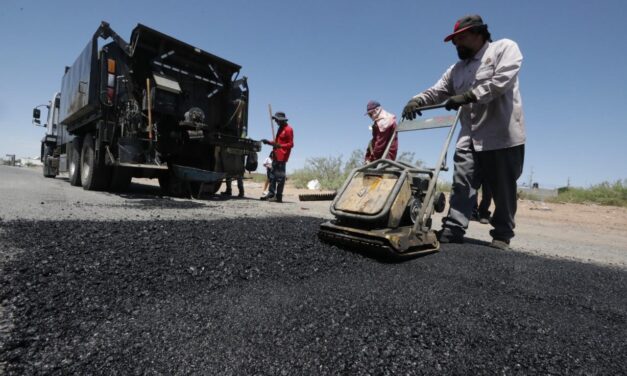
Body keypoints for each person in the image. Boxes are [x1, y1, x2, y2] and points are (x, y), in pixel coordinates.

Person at [402, 14, 525, 250]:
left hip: (502, 135)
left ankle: (502, 234)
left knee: (503, 188)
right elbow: (437, 91)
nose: (456, 44)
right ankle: (453, 229)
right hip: (469, 135)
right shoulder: (456, 70)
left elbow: (502, 80)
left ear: (479, 34)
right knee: (462, 183)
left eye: (461, 38)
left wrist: (469, 96)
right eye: (454, 40)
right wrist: (416, 100)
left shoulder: (503, 49)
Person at [260, 111, 294, 203]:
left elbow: (291, 144)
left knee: (280, 177)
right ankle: (271, 194)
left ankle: (279, 196)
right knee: (272, 176)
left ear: (282, 120)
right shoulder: (280, 128)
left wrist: (280, 146)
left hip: (282, 157)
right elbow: (276, 142)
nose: (276, 122)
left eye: (277, 120)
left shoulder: (288, 129)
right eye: (275, 120)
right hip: (275, 155)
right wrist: (268, 142)